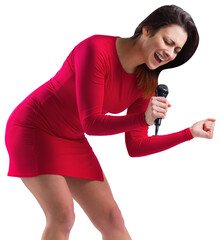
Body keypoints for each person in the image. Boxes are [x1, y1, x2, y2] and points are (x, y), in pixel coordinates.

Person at [5, 4, 215, 240]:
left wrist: (189, 133)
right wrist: (142, 118)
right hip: (34, 127)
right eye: (168, 42)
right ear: (147, 30)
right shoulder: (96, 49)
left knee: (113, 219)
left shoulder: (145, 79)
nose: (171, 53)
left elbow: (135, 146)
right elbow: (91, 123)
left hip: (71, 137)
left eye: (177, 50)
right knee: (63, 215)